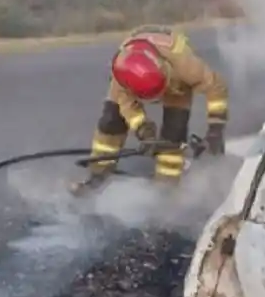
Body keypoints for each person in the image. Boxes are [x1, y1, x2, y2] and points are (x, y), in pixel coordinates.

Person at [70, 25, 229, 195]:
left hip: (176, 85)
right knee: (111, 121)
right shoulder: (121, 75)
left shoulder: (186, 65)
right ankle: (97, 174)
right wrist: (144, 131)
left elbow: (216, 87)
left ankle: (167, 186)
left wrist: (215, 129)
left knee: (174, 133)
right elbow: (127, 106)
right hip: (134, 79)